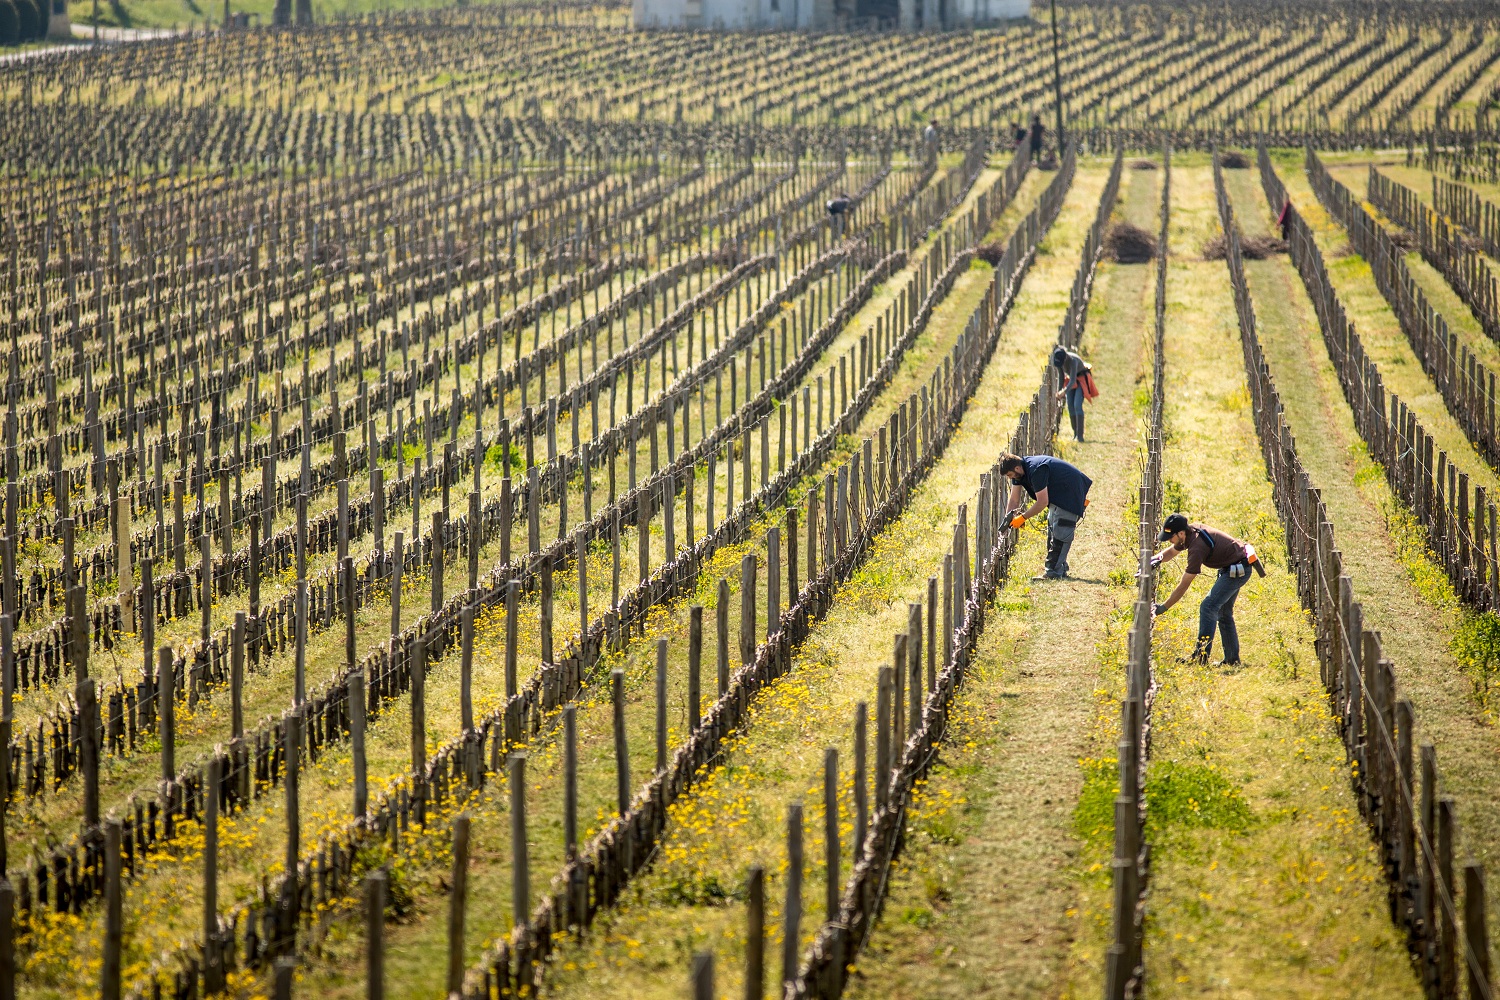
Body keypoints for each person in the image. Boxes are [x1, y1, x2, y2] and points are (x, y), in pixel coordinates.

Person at [1150, 513, 1265, 666]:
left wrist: (1163, 607)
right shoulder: (1190, 532)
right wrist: (1152, 560)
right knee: (1223, 612)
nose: (1170, 540)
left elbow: (1184, 584)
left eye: (1171, 537)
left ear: (1181, 533)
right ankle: (1232, 660)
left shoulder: (1197, 547)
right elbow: (1171, 552)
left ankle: (1201, 657)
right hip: (1233, 566)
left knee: (1208, 606)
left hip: (1238, 570)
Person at [1001, 452, 1092, 579]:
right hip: (1058, 494)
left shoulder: (1036, 470)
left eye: (1010, 475)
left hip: (1070, 492)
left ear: (1016, 468)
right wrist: (1008, 520)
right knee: (1052, 531)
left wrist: (1023, 517)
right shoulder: (1020, 472)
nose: (1010, 478)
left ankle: (1053, 573)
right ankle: (1059, 568)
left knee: (1061, 532)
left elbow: (1042, 502)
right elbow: (1014, 500)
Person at [1051, 344, 1095, 442]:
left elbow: (1073, 380)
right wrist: (1059, 392)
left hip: (1080, 379)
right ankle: (1075, 433)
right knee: (1070, 406)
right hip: (1071, 381)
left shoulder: (1073, 361)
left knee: (1077, 405)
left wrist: (1063, 391)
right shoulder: (1059, 361)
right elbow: (1062, 377)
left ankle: (1080, 436)